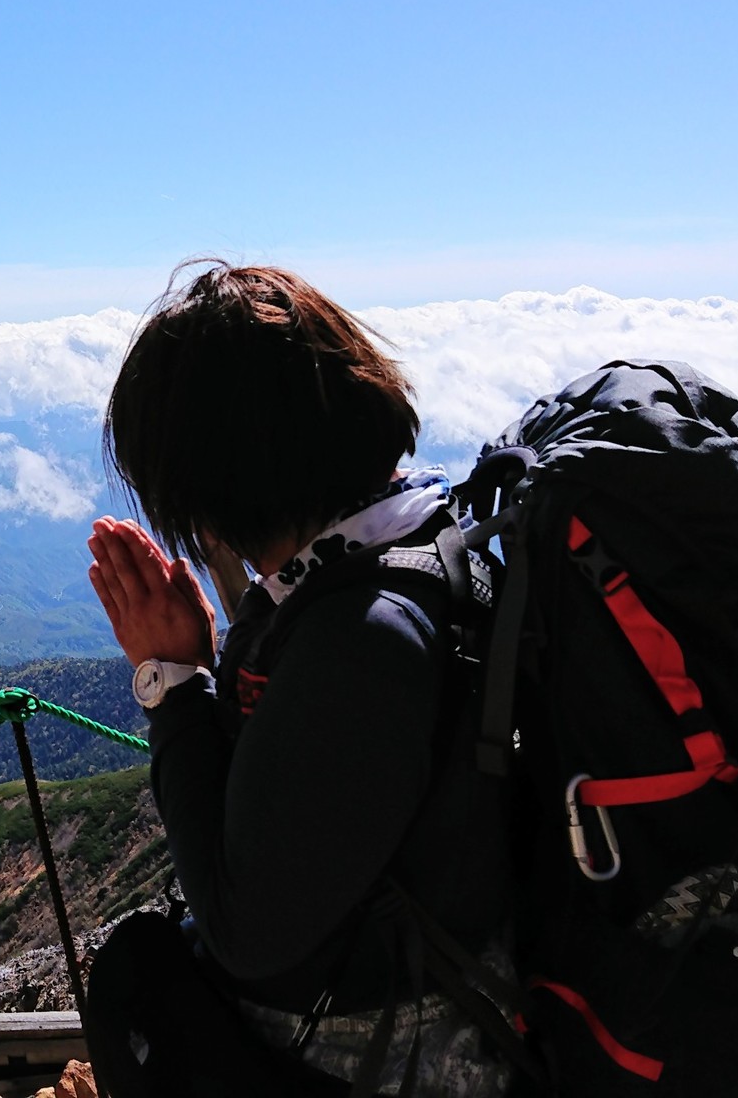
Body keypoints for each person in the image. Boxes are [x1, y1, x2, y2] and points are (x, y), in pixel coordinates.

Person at [82, 261, 518, 1097]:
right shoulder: (427, 544)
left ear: (210, 490)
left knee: (139, 983)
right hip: (452, 992)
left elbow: (246, 930)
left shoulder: (362, 639)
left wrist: (171, 682)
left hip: (404, 1051)